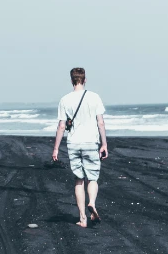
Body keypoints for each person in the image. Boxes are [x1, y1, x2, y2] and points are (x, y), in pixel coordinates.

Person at [52, 67, 108, 228]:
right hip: (91, 142)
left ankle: (83, 218)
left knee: (79, 179)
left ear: (71, 81)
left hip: (73, 143)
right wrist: (104, 144)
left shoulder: (65, 100)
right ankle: (92, 203)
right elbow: (101, 123)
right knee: (93, 178)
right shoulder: (94, 97)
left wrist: (56, 148)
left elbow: (61, 126)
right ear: (85, 80)